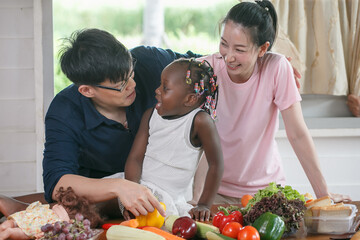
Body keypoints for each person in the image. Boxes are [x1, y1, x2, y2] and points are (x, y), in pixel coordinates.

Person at [193, 0, 351, 204]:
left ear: (262, 49)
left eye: (240, 49)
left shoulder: (277, 68)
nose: (229, 57)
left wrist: (324, 196)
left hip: (266, 193)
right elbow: (174, 78)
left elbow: (298, 135)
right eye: (224, 44)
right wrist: (195, 199)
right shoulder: (207, 70)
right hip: (214, 192)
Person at [115, 58, 223, 221]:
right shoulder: (149, 115)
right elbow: (135, 158)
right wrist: (132, 191)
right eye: (160, 84)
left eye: (165, 88)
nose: (157, 90)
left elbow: (216, 165)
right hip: (139, 185)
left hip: (168, 197)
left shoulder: (200, 122)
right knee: (102, 194)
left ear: (190, 99)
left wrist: (204, 204)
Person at [0, 187, 101, 240]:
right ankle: (7, 232)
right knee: (20, 233)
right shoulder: (62, 221)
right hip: (34, 225)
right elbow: (55, 228)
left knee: (12, 223)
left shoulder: (54, 208)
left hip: (28, 215)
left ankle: (5, 228)